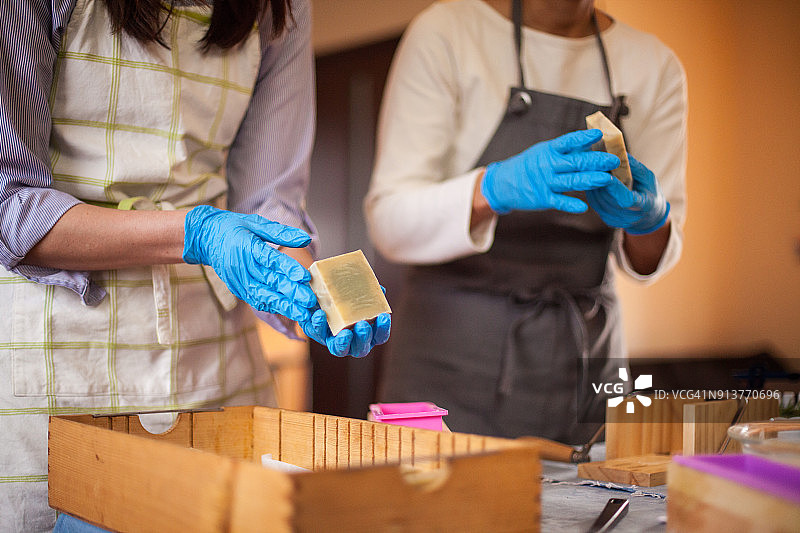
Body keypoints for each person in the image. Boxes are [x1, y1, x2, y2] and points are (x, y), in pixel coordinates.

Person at [0, 0, 390, 529]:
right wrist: (196, 233)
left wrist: (304, 296)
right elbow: (11, 206)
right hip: (60, 357)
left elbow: (272, 202)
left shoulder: (285, 5)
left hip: (215, 364)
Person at [365, 0, 686, 444]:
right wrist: (491, 189)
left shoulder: (655, 66)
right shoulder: (447, 32)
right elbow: (388, 223)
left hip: (585, 355)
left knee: (592, 504)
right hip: (448, 358)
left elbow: (650, 260)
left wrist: (649, 219)